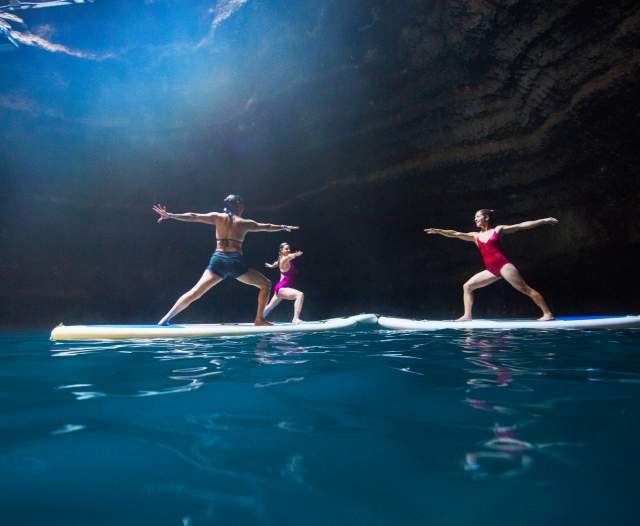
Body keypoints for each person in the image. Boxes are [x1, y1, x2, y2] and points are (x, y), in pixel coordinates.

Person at [152, 195, 299, 326]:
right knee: (266, 284)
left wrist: (170, 215)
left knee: (195, 292)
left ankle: (165, 318)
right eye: (242, 205)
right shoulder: (244, 222)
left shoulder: (217, 217)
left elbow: (193, 216)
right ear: (239, 206)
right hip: (235, 262)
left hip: (218, 260)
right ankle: (259, 320)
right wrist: (283, 227)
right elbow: (266, 227)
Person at [424, 209, 558, 321]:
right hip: (491, 270)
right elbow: (455, 234)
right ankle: (467, 315)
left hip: (503, 266)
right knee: (467, 286)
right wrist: (438, 231)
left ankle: (548, 314)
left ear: (486, 218)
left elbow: (521, 225)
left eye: (478, 216)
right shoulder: (475, 236)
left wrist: (544, 220)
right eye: (474, 217)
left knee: (525, 289)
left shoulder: (497, 230)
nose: (475, 219)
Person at [263, 242, 304, 323]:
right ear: (281, 250)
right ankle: (295, 319)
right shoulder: (285, 259)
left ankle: (258, 319)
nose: (288, 250)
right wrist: (296, 254)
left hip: (279, 288)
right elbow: (290, 256)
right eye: (286, 249)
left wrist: (271, 266)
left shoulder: (281, 259)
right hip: (282, 288)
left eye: (289, 248)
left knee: (269, 307)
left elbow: (276, 264)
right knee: (300, 295)